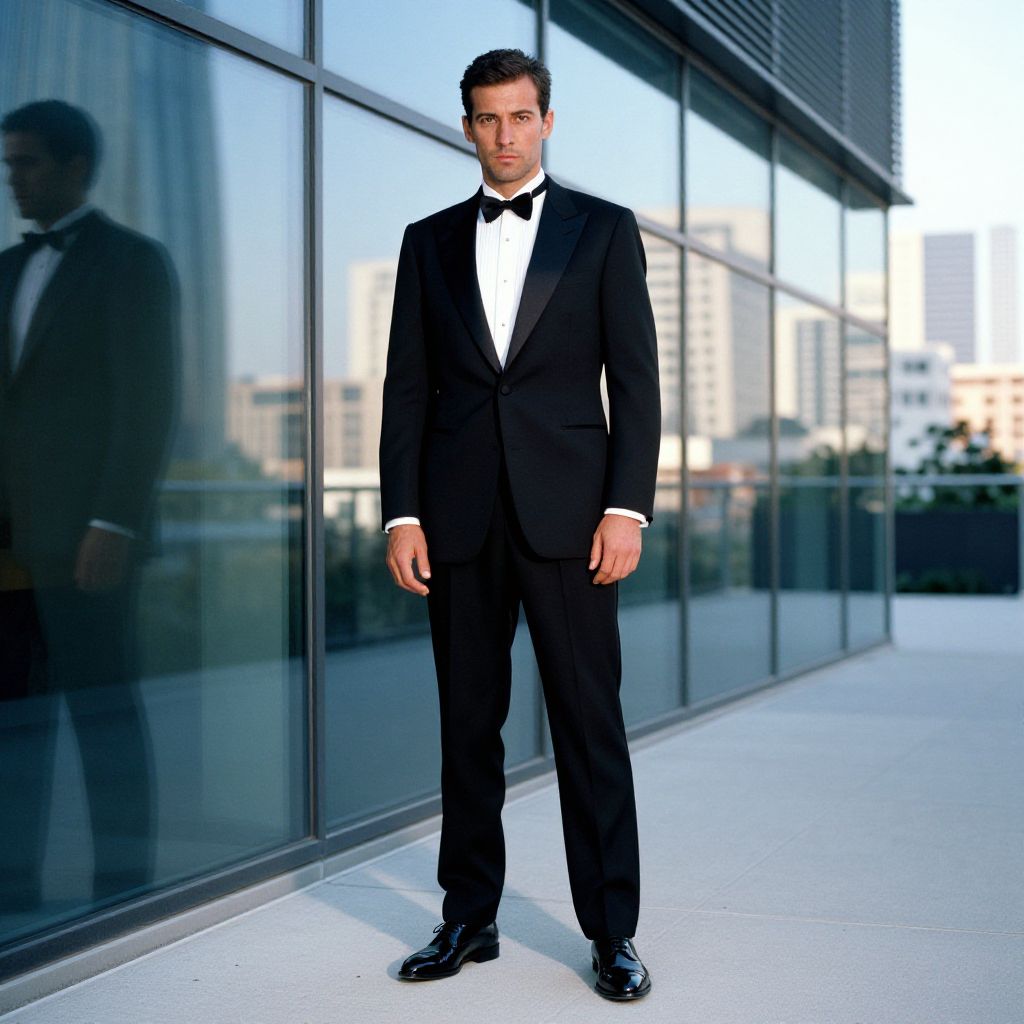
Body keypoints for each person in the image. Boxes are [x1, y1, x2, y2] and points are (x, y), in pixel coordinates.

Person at [378, 50, 661, 1000]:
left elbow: (636, 381)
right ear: (467, 126)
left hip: (573, 521)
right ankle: (469, 916)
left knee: (589, 725)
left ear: (547, 121)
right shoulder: (426, 242)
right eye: (488, 118)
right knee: (467, 727)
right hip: (456, 520)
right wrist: (402, 513)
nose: (505, 134)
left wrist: (625, 508)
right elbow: (406, 389)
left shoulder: (604, 229)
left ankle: (612, 932)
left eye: (520, 116)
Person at [0, 99, 178, 911]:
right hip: (8, 542)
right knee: (14, 722)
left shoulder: (132, 261)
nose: (13, 178)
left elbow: (148, 402)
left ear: (75, 166)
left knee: (103, 714)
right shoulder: (7, 267)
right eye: (8, 163)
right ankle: (13, 888)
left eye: (27, 162)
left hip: (87, 539)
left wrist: (115, 521)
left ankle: (123, 891)